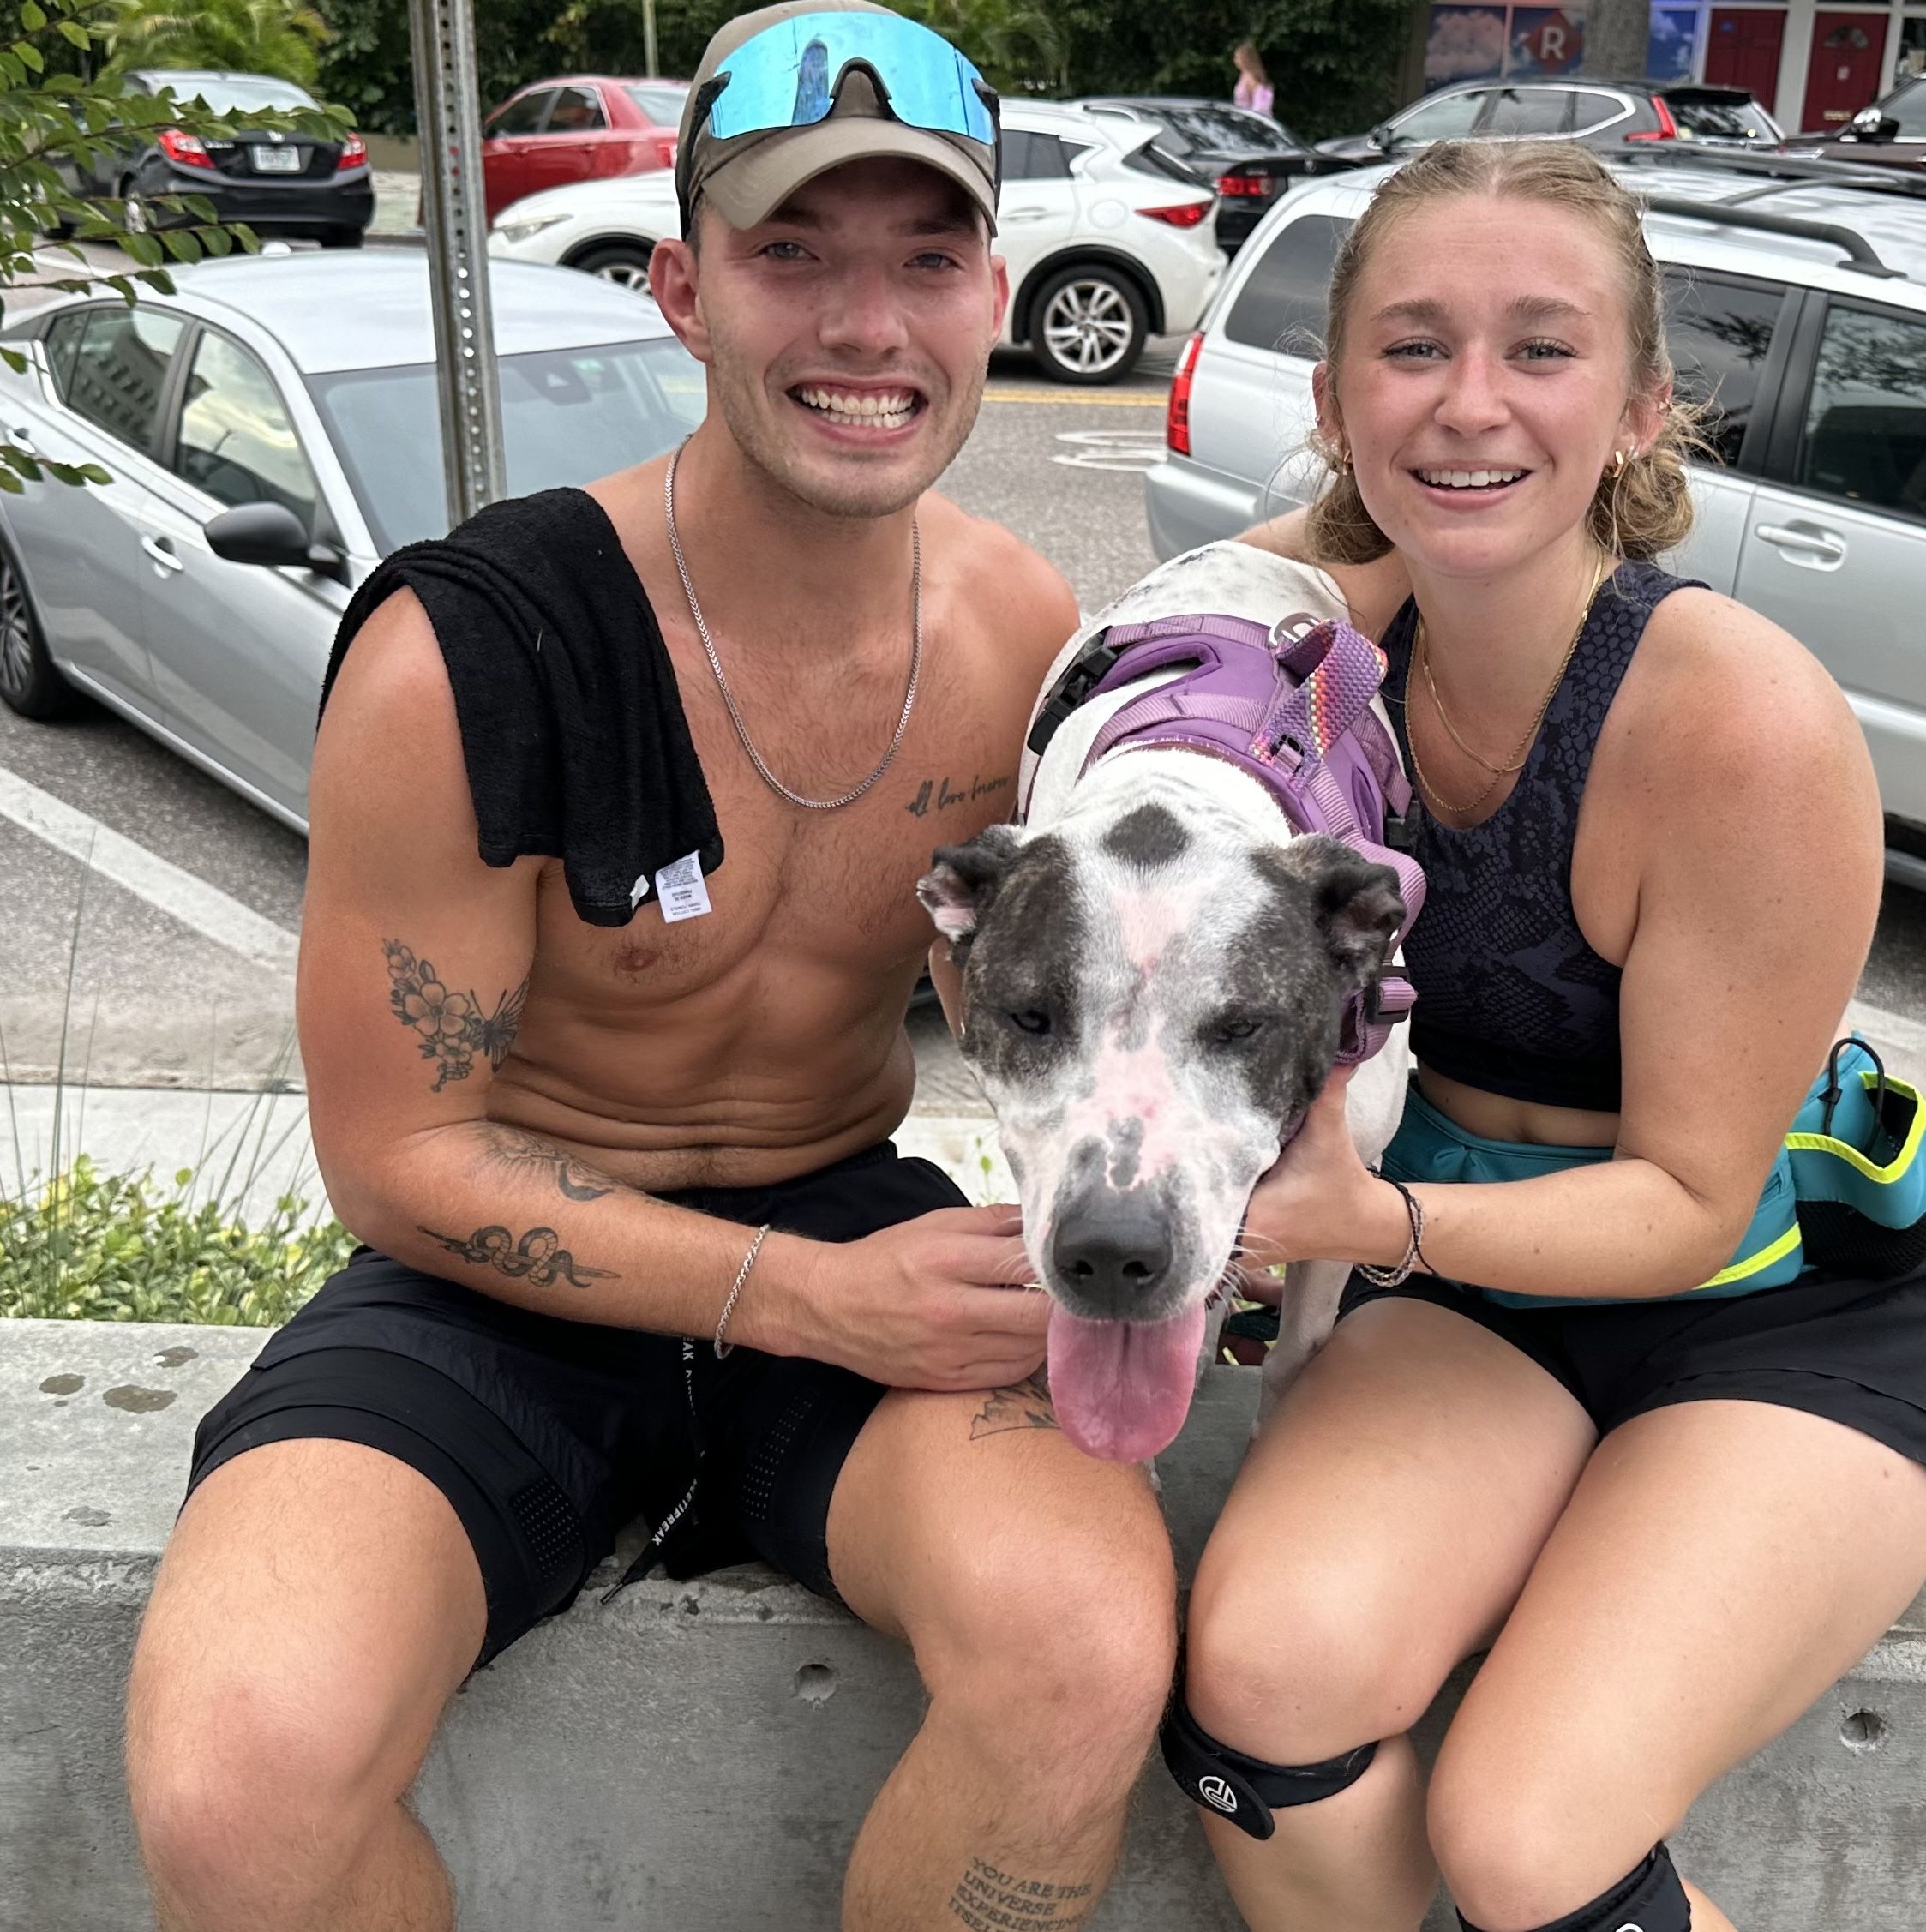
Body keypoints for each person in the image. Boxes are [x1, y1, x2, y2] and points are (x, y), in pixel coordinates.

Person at [123, 8, 1177, 1929]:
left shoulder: (1020, 629)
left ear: (991, 293)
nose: (866, 327)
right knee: (236, 1774)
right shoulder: (476, 653)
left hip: (850, 1217)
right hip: (497, 1264)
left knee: (1086, 1648)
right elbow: (396, 1165)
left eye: (924, 259)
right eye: (792, 255)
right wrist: (799, 1299)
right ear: (684, 287)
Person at [1170, 141, 1926, 1932]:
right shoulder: (1305, 642)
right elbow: (1104, 707)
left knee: (1529, 1836)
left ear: (1639, 403)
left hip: (1772, 1293)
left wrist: (1346, 1221)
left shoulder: (1738, 721)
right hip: (1479, 1278)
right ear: (1331, 395)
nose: (1471, 404)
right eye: (1411, 346)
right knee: (1255, 1705)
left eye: (1540, 348)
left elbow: (1687, 1201)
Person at [1233, 39, 1275, 117]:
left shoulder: (1252, 77)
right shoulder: (1243, 76)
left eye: (1237, 58)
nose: (1235, 61)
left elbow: (1259, 104)